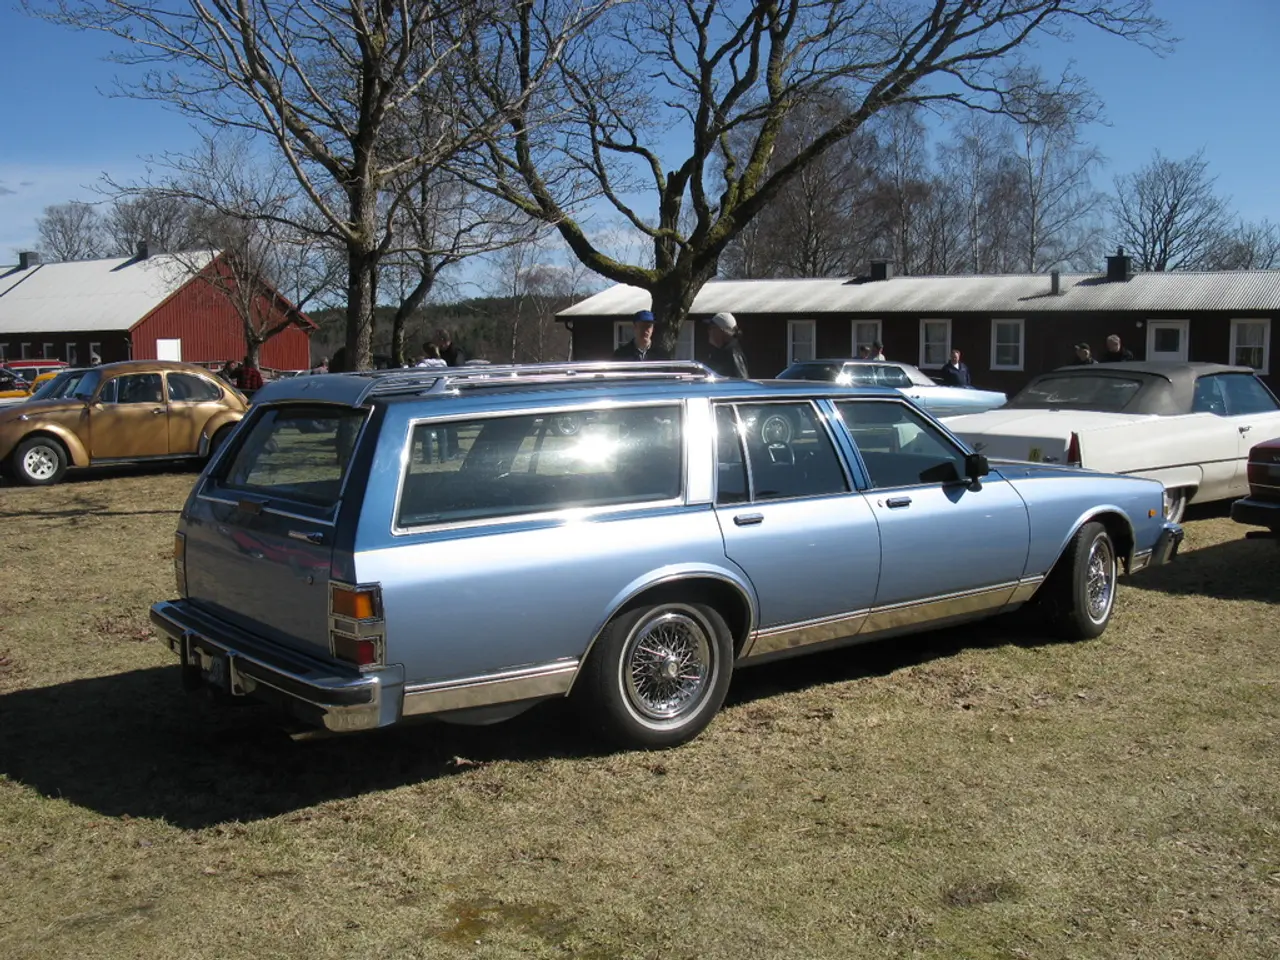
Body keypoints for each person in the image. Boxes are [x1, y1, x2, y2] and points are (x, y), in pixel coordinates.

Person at [702, 312, 749, 379]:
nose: (709, 331)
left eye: (711, 327)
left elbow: (742, 381)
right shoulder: (719, 351)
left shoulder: (733, 353)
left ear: (722, 330)